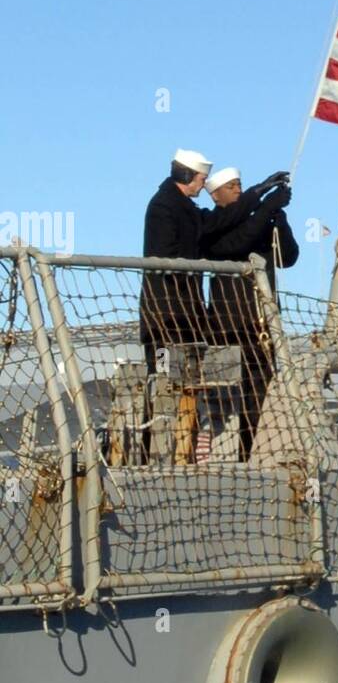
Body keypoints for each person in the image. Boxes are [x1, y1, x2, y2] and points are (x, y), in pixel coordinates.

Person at [139, 148, 289, 460]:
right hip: (166, 319)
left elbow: (217, 222)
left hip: (187, 321)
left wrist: (259, 195)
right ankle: (156, 458)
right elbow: (216, 237)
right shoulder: (165, 207)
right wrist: (261, 206)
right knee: (165, 386)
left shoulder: (184, 208)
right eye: (200, 180)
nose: (200, 186)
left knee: (187, 389)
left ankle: (184, 455)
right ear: (186, 176)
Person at [200, 166, 299, 459]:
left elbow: (288, 258)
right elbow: (238, 242)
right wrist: (265, 205)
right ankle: (220, 452)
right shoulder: (213, 227)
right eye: (231, 187)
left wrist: (280, 222)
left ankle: (251, 451)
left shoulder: (258, 223)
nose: (238, 191)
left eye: (239, 185)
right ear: (216, 195)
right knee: (224, 396)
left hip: (261, 325)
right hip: (228, 326)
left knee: (260, 392)